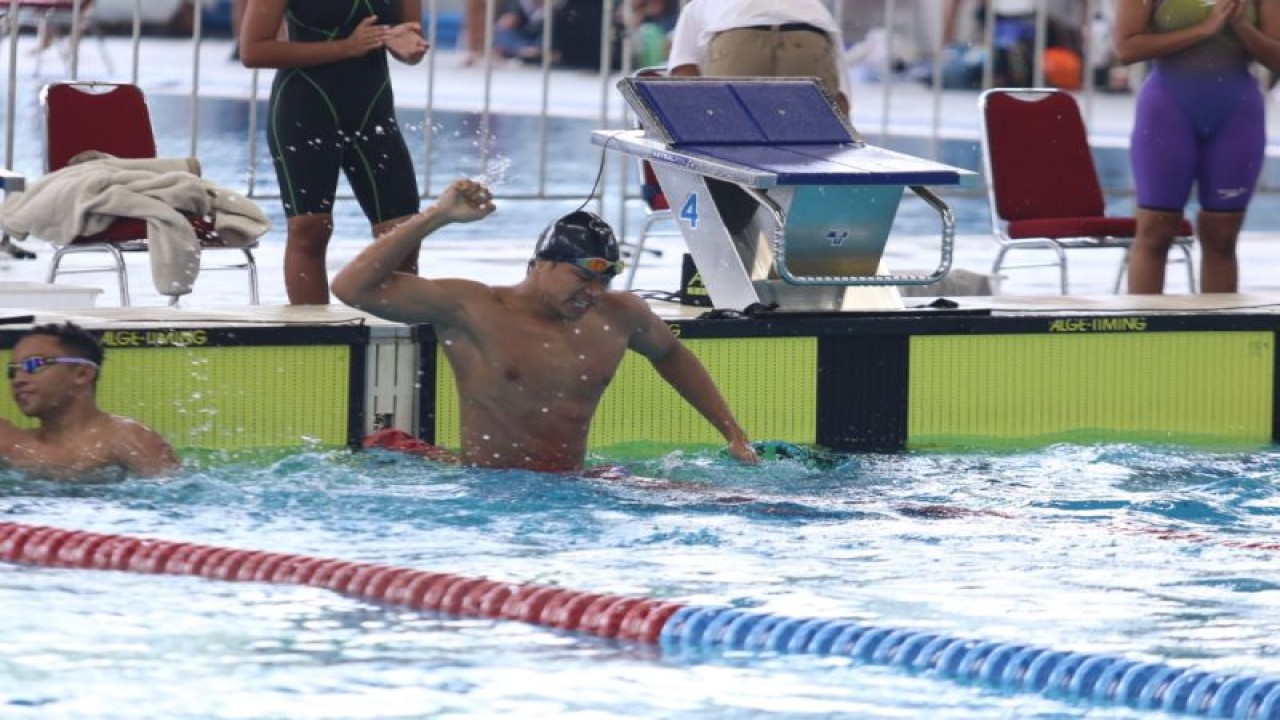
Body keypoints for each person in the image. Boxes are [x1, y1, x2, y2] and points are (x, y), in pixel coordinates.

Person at [332, 179, 759, 473]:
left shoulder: (621, 314)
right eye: (584, 277)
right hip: (490, 487)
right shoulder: (475, 308)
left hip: (571, 484)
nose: (594, 291)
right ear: (540, 265)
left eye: (605, 279)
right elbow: (351, 287)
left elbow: (672, 354)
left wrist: (733, 434)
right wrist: (436, 217)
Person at [239, 1, 430, 305]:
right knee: (311, 229)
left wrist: (406, 44)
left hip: (372, 109)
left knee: (402, 234)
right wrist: (346, 48)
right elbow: (253, 51)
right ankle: (313, 338)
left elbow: (407, 35)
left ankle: (399, 341)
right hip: (305, 107)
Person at [1114, 0, 1280, 294]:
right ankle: (1142, 333)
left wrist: (1241, 26)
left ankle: (1218, 335)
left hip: (1236, 112)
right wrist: (1204, 29)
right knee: (1156, 229)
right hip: (1168, 109)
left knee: (1223, 236)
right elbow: (1127, 49)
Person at [0, 322, 180, 480]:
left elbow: (178, 498)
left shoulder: (127, 439)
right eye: (13, 371)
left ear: (82, 374)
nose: (18, 380)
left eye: (33, 364)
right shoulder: (12, 444)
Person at [665, 0, 851, 117]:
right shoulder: (811, 5)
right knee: (815, 142)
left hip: (737, 38)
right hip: (808, 38)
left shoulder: (697, 6)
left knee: (728, 141)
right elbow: (841, 95)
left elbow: (683, 74)